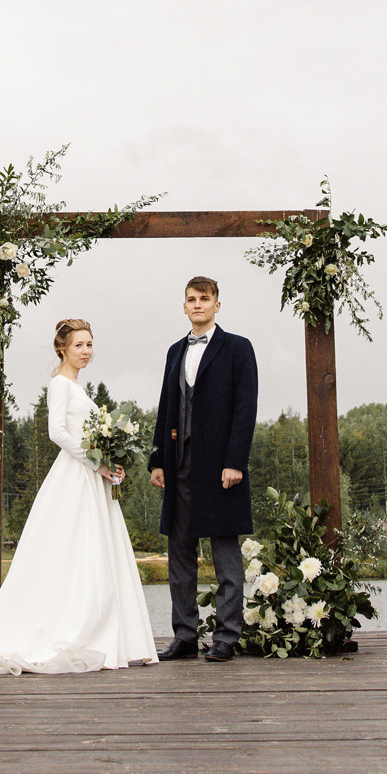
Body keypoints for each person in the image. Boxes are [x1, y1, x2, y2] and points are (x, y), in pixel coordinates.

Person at [0, 320, 159, 673]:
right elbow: (57, 432)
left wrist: (109, 460)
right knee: (75, 549)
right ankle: (76, 630)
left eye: (90, 345)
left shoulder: (78, 386)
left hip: (92, 476)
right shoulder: (60, 384)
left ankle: (108, 634)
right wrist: (96, 463)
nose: (86, 351)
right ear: (62, 348)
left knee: (95, 551)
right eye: (79, 345)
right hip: (76, 476)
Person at [148, 278, 258, 662]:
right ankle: (185, 636)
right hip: (179, 464)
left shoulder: (238, 348)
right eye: (191, 300)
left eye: (204, 299)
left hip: (219, 468)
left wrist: (235, 462)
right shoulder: (175, 351)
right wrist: (157, 459)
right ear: (184, 307)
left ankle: (227, 637)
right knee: (179, 555)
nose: (198, 305)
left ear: (217, 305)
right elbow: (166, 407)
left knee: (226, 554)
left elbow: (246, 408)